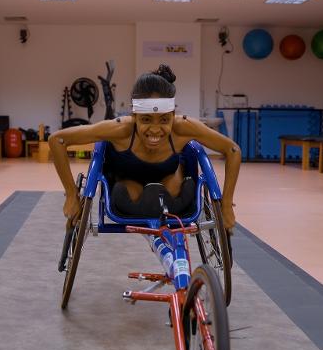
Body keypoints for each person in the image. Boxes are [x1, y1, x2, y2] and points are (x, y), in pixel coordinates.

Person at [50, 64, 241, 230]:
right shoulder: (121, 129)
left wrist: (225, 204)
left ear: (173, 115)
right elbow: (57, 140)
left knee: (175, 193)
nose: (155, 130)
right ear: (134, 117)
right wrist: (71, 195)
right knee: (130, 195)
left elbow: (232, 150)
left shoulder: (182, 128)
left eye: (164, 120)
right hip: (129, 182)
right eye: (146, 120)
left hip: (168, 181)